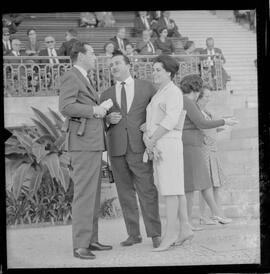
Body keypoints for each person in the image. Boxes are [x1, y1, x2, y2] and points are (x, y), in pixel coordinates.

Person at [100, 51, 162, 249]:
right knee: (125, 193)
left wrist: (150, 125)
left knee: (147, 191)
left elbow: (160, 111)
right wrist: (107, 120)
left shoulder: (147, 87)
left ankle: (155, 234)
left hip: (139, 147)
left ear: (129, 66)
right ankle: (133, 234)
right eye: (111, 65)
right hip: (116, 149)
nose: (114, 67)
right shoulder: (106, 94)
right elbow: (99, 121)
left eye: (117, 63)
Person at [59, 41, 112, 260]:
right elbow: (66, 107)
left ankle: (90, 239)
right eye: (91, 53)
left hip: (90, 142)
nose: (95, 57)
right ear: (80, 55)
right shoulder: (72, 75)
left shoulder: (83, 77)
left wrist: (104, 114)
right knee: (84, 194)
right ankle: (80, 245)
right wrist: (95, 110)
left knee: (93, 194)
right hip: (83, 144)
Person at [142, 54, 194, 251]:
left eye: (158, 70)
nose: (153, 73)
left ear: (169, 73)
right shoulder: (160, 93)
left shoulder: (173, 92)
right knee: (175, 188)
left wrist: (152, 138)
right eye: (153, 69)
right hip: (160, 142)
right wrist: (147, 135)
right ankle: (185, 228)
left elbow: (171, 120)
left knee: (170, 190)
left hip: (168, 143)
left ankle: (170, 234)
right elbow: (154, 120)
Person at [180, 74, 238, 230]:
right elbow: (202, 123)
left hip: (192, 144)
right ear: (196, 89)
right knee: (192, 186)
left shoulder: (185, 101)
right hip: (191, 146)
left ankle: (215, 213)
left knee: (202, 183)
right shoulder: (189, 102)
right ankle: (190, 222)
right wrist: (225, 121)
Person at [196, 86, 228, 225]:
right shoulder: (196, 112)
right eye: (206, 96)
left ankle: (217, 214)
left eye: (210, 96)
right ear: (199, 97)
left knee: (216, 185)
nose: (209, 99)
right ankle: (202, 216)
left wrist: (219, 127)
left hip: (212, 150)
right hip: (204, 151)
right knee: (205, 185)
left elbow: (210, 128)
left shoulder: (206, 111)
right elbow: (201, 128)